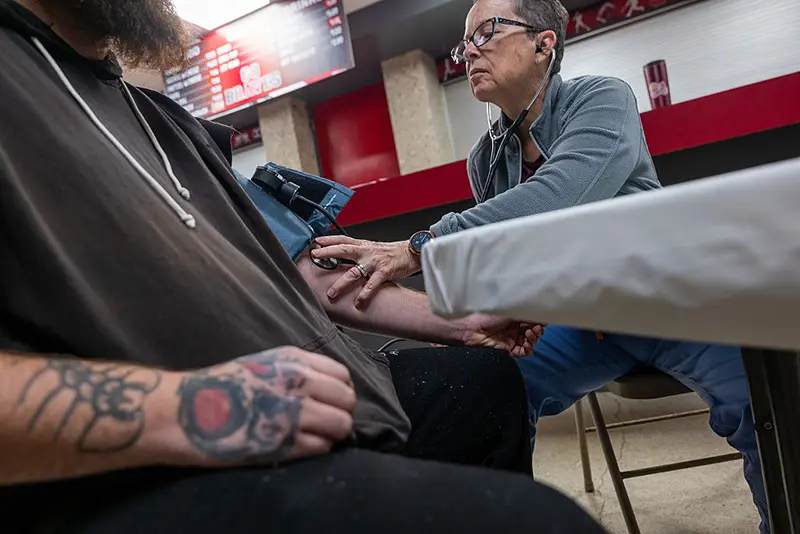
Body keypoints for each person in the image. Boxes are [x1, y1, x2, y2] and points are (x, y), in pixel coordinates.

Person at [0, 1, 608, 533]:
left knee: (483, 381)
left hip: (305, 392)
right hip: (134, 459)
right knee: (544, 522)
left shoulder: (161, 119)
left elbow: (306, 271)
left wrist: (463, 320)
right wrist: (190, 406)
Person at [311, 0, 769, 530]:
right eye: (465, 43)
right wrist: (471, 326)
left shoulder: (601, 98)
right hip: (579, 321)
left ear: (543, 43)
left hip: (666, 299)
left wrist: (418, 247)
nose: (469, 52)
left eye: (487, 31)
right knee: (475, 381)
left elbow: (562, 195)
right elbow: (510, 258)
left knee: (760, 407)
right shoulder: (486, 157)